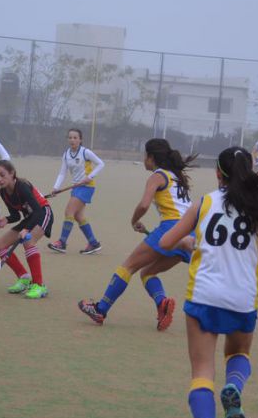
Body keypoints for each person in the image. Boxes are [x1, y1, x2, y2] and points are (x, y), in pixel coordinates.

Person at [159, 146, 258, 418]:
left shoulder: (204, 202)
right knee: (238, 355)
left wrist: (185, 242)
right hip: (242, 298)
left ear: (218, 173)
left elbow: (165, 242)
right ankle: (234, 386)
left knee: (202, 373)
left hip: (205, 296)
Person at [78, 138, 196, 331]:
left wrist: (134, 221)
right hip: (189, 233)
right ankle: (162, 303)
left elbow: (143, 204)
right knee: (147, 272)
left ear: (151, 157)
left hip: (171, 229)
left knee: (128, 267)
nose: (144, 160)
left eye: (145, 155)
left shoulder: (157, 176)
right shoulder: (176, 176)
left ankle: (100, 309)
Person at [0, 160, 54, 300]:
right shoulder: (4, 192)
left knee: (28, 241)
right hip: (29, 218)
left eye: (2, 175)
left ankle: (39, 285)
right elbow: (16, 215)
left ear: (12, 173)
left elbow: (37, 210)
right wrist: (6, 219)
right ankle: (24, 278)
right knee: (0, 245)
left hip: (43, 213)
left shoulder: (22, 187)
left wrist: (26, 229)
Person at [47, 128, 105, 255]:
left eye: (75, 138)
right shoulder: (66, 154)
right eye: (70, 137)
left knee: (69, 211)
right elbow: (62, 173)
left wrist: (89, 177)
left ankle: (62, 242)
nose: (72, 140)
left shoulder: (86, 152)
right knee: (78, 216)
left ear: (80, 139)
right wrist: (55, 187)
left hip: (87, 187)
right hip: (76, 187)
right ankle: (93, 243)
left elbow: (101, 164)